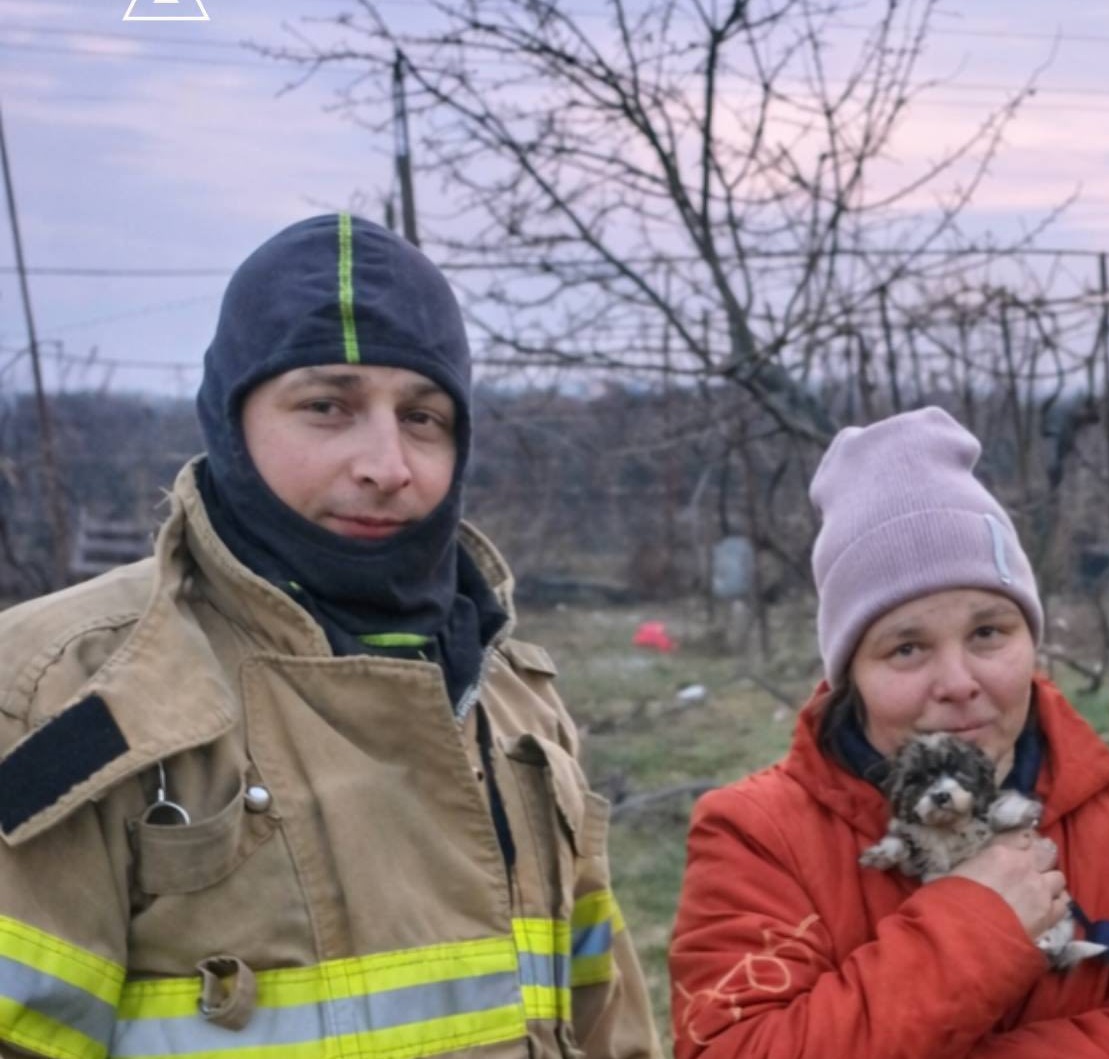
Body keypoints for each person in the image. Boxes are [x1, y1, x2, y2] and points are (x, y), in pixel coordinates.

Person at [0, 215, 660, 1059]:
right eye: (326, 406)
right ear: (232, 419)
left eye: (423, 416)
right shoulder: (70, 689)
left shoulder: (513, 697)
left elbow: (605, 1019)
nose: (388, 463)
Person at [668, 407, 1109, 1058]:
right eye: (906, 648)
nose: (958, 681)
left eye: (988, 632)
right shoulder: (757, 836)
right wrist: (979, 919)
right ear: (851, 672)